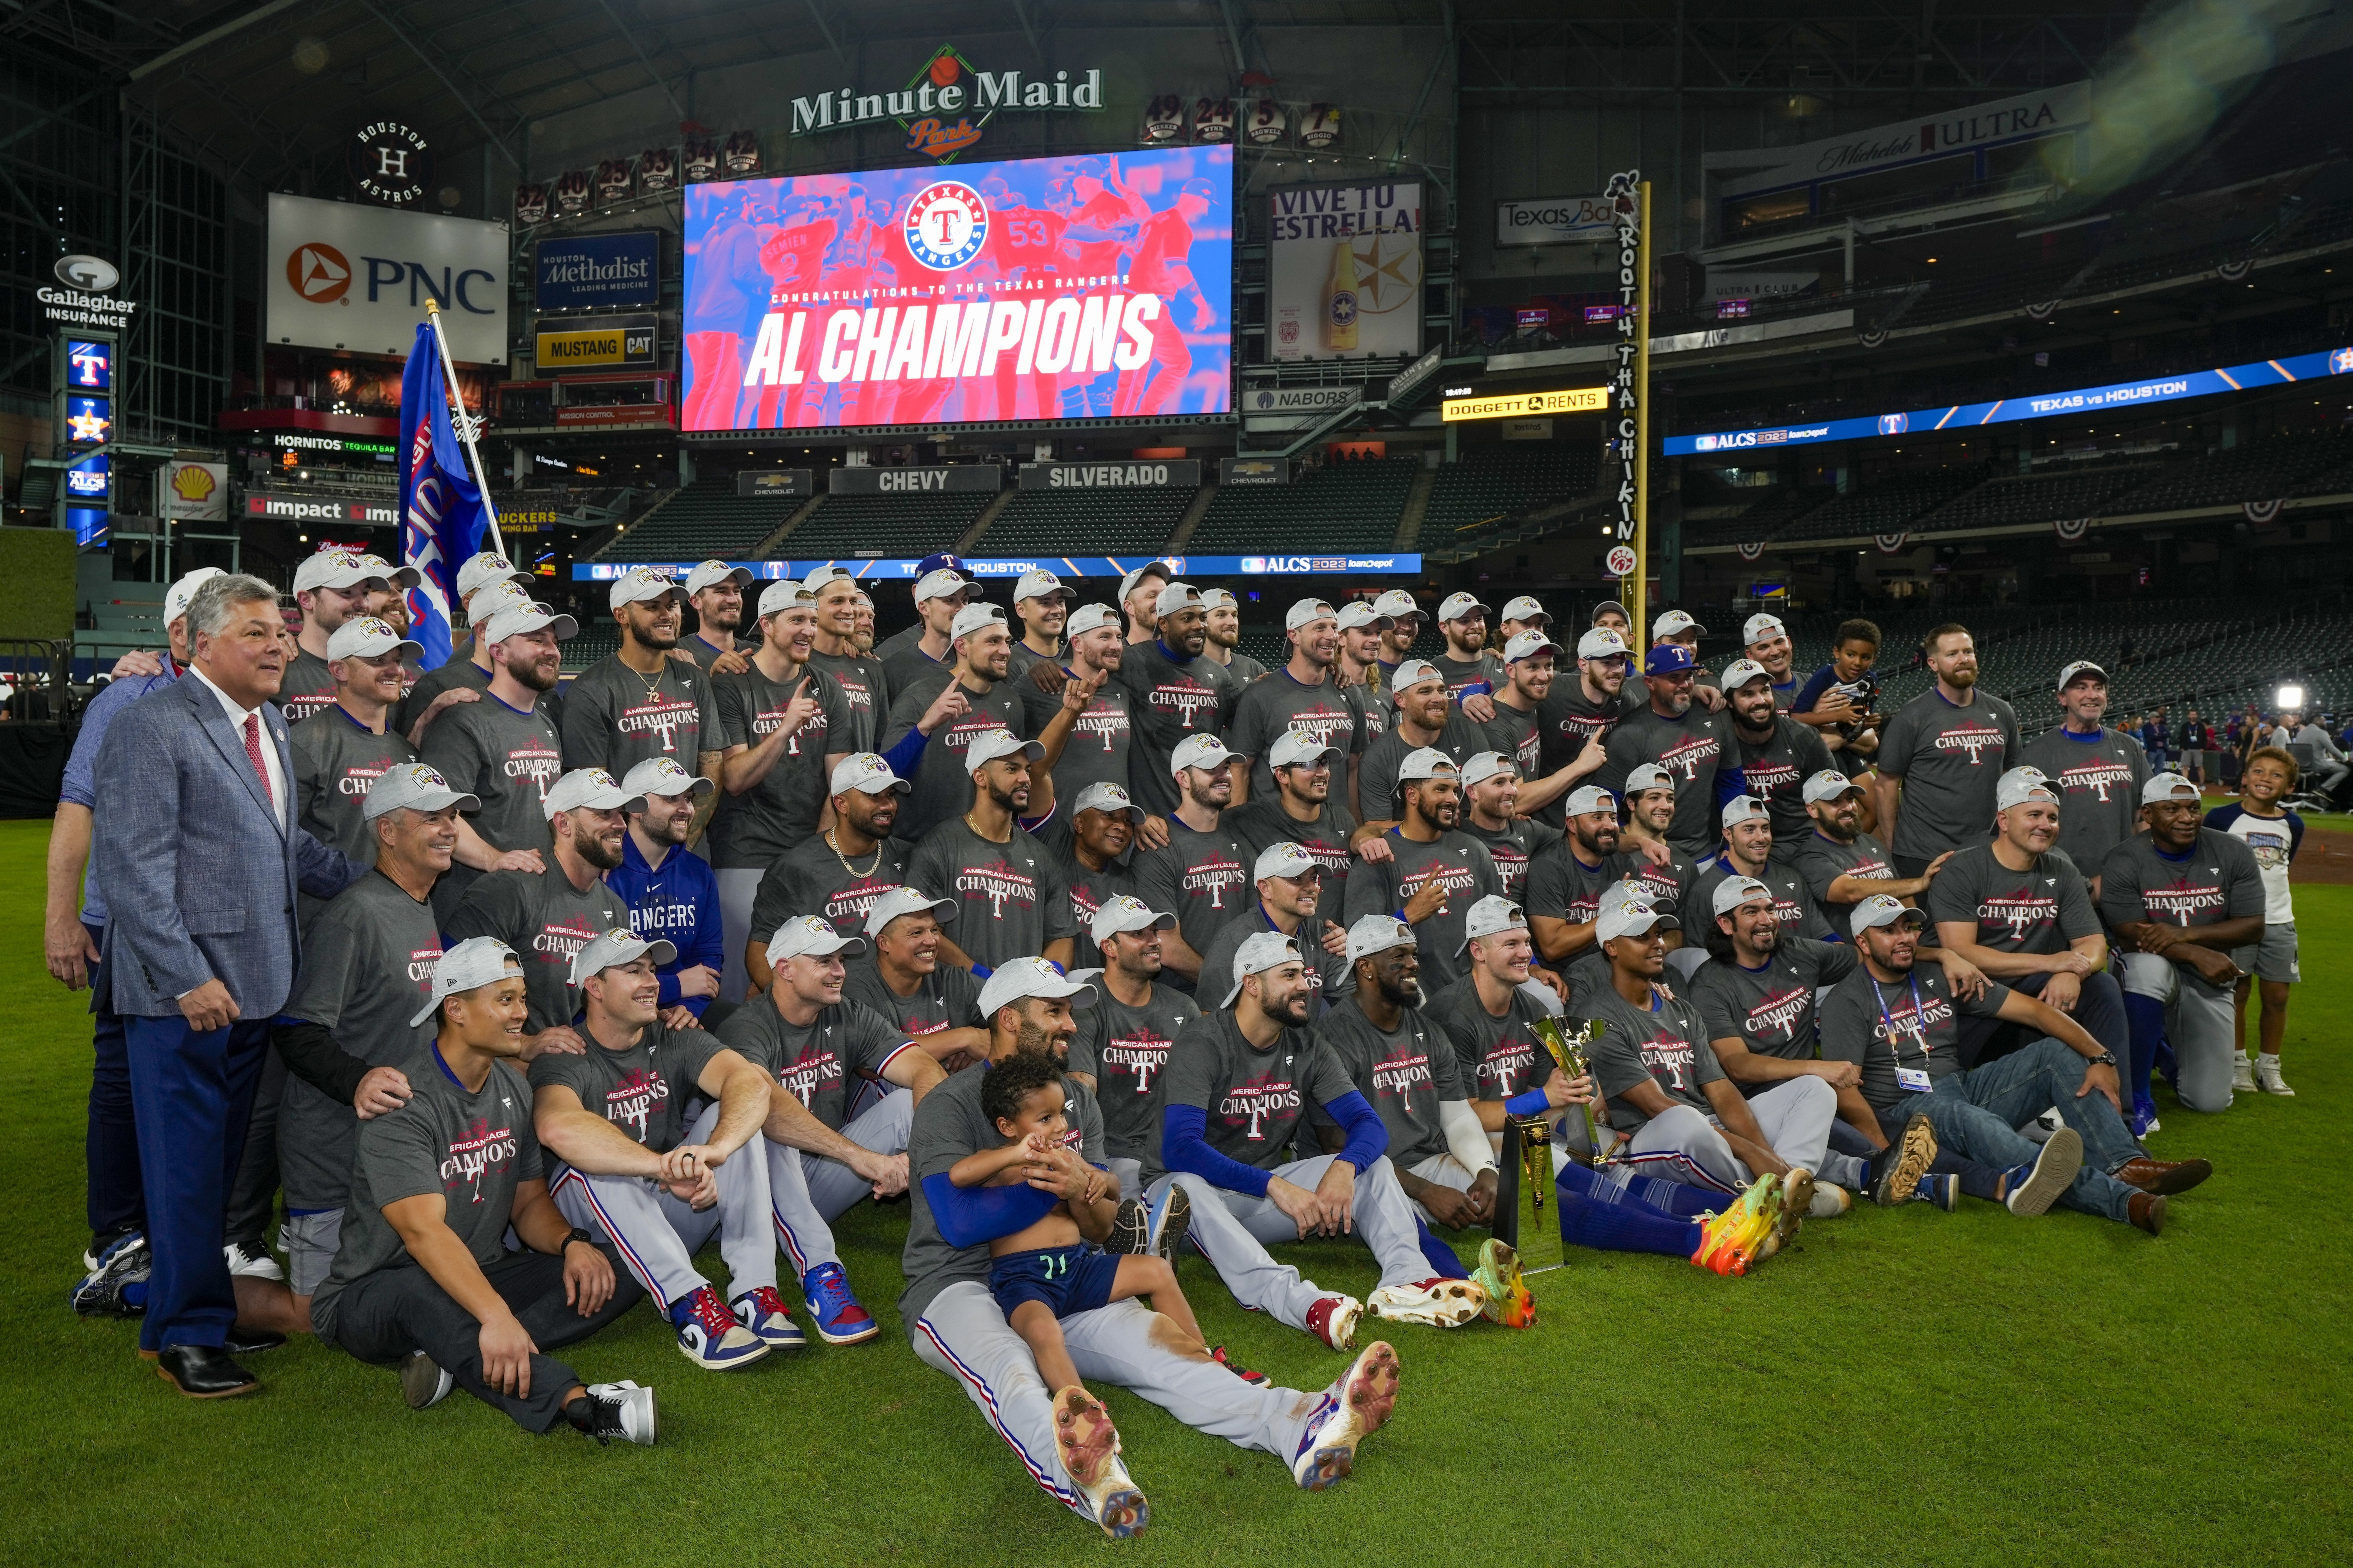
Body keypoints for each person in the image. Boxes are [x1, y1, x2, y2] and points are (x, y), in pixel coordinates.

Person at [902, 957, 1405, 1536]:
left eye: (1071, 1012)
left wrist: (1085, 1192)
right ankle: (1091, 1474)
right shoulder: (951, 1102)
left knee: (1162, 1348)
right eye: (1055, 1012)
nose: (1070, 1025)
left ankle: (1297, 1423)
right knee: (1011, 1370)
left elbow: (1095, 1226)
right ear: (1010, 1020)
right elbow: (958, 1223)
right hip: (958, 1282)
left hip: (1067, 1271)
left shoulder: (1073, 1100)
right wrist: (1061, 1188)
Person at [90, 572, 362, 1395]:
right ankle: (189, 1335)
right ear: (201, 642)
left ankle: (181, 1313)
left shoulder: (268, 725)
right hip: (188, 999)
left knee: (210, 1170)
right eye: (257, 633)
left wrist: (377, 876)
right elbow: (133, 872)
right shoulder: (151, 725)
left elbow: (287, 851)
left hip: (255, 989)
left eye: (281, 631)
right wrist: (187, 979)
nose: (279, 644)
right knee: (183, 1170)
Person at [307, 938, 653, 1441]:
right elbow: (424, 1234)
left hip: (481, 1271)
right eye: (506, 999)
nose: (522, 1014)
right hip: (379, 1289)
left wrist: (571, 1243)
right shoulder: (402, 1099)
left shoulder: (512, 1088)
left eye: (522, 997)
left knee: (625, 1260)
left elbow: (529, 1201)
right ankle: (582, 1404)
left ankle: (450, 1351)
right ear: (456, 1009)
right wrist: (493, 1314)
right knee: (425, 1294)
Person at [1155, 929, 1485, 1334]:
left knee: (1373, 1167)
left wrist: (1345, 1168)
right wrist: (1274, 1185)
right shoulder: (1203, 1041)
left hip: (1254, 1198)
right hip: (1181, 1207)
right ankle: (1301, 1302)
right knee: (1188, 1184)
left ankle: (1409, 1280)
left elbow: (1368, 1125)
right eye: (1290, 976)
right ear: (1252, 984)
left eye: (1306, 976)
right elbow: (1180, 1149)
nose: (1306, 986)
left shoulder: (1306, 1044)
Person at [1822, 896, 2205, 1234]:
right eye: (1888, 931)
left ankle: (2125, 1164)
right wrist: (1883, 1149)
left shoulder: (1939, 974)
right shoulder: (1847, 1001)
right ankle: (2123, 1201)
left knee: (2053, 1054)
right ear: (1863, 942)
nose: (1904, 938)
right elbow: (1845, 1087)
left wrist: (2100, 1056)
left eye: (1909, 928)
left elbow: (2035, 1012)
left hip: (1961, 1087)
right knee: (1970, 1119)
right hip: (1907, 1108)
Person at [51, 565, 220, 1289]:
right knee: (124, 1076)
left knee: (196, 1073)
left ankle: (187, 1223)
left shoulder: (238, 701)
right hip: (131, 921)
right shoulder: (130, 695)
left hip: (211, 920)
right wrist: (63, 917)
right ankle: (118, 1231)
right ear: (180, 630)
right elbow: (77, 806)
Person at [257, 762, 472, 1330]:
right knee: (314, 1315)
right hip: (332, 1157)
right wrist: (358, 1079)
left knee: (407, 1287)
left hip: (395, 1156)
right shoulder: (354, 914)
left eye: (452, 815)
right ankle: (181, 1290)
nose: (450, 827)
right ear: (388, 831)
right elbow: (295, 1027)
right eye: (433, 818)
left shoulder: (422, 901)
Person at [956, 1049, 1231, 1471]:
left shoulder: (1068, 1158)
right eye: (1045, 1119)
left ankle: (1201, 1356)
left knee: (1156, 1271)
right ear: (1008, 1128)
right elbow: (959, 1176)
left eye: (1060, 1114)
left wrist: (1098, 1180)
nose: (1061, 1126)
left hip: (1079, 1267)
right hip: (1026, 1281)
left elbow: (1115, 1188)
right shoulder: (1004, 1166)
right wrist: (1014, 1155)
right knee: (1043, 1330)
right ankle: (1083, 1413)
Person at [534, 929, 786, 1368]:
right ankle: (691, 1305)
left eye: (652, 970)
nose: (653, 981)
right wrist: (664, 1167)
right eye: (634, 972)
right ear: (593, 986)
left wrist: (715, 1152)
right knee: (596, 1166)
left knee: (737, 1124)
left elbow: (747, 1082)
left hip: (666, 1206)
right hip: (594, 1227)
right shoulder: (565, 1052)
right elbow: (558, 1127)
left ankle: (755, 1292)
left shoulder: (674, 1035)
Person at [718, 914, 944, 1345]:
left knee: (909, 1106)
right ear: (784, 968)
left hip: (819, 1177)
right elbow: (766, 1111)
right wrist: (864, 1158)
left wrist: (922, 1150)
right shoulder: (746, 1027)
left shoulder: (847, 1015)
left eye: (841, 960)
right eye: (825, 961)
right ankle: (822, 1276)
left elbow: (923, 1068)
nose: (840, 971)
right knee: (766, 1120)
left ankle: (957, 1235)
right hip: (749, 1193)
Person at [1311, 918, 1532, 1327]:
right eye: (1400, 957)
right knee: (1408, 1228)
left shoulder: (1426, 1029)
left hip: (1423, 1160)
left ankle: (1682, 1235)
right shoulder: (1335, 1036)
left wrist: (1484, 1172)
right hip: (1360, 1174)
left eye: (1414, 955)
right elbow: (1336, 1143)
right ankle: (1470, 1289)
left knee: (1517, 1192)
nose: (1414, 964)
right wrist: (1426, 1191)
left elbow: (1457, 1115)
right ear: (1366, 968)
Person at [1579, 894, 1848, 1212]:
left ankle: (1785, 1182)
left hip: (1707, 1124)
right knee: (1684, 1118)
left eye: (1658, 935)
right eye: (1642, 938)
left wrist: (1764, 1154)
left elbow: (1720, 1090)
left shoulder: (1680, 1008)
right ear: (1611, 947)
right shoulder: (1596, 1018)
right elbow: (1656, 1106)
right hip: (1653, 1136)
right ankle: (1770, 1200)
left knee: (1813, 1088)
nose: (1658, 945)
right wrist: (1749, 1152)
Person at [1689, 877, 1941, 1207]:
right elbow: (1737, 1065)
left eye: (1770, 909)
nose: (1766, 920)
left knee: (1888, 1124)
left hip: (1812, 1092)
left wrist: (1941, 956)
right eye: (1751, 912)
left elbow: (1867, 952)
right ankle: (1895, 1173)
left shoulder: (1799, 954)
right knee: (1849, 1134)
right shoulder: (1710, 984)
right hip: (1756, 1104)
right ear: (1725, 924)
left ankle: (1938, 1178)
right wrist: (1817, 1069)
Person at [1927, 768, 2128, 1070]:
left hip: (2033, 982)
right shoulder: (1963, 867)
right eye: (2034, 815)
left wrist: (2072, 972)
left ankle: (2118, 1107)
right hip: (1974, 988)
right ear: (2004, 821)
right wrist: (2052, 964)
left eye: (2052, 818)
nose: (2045, 825)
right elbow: (1962, 951)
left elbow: (2092, 943)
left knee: (2103, 986)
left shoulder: (2062, 871)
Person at [712, 579, 855, 998]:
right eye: (796, 620)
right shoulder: (732, 685)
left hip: (806, 855)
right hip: (745, 854)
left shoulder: (826, 687)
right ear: (767, 625)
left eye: (812, 621)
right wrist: (786, 727)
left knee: (807, 984)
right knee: (745, 986)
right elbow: (735, 778)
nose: (808, 630)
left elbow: (840, 781)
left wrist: (817, 852)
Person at [2101, 773, 2266, 1124]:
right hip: (2155, 967)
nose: (2186, 818)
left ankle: (2163, 1052)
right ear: (2147, 815)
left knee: (2209, 1101)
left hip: (2207, 975)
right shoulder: (2123, 858)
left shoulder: (2231, 851)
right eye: (2171, 809)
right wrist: (2195, 952)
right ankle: (2138, 1094)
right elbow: (2129, 934)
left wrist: (2185, 938)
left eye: (2193, 808)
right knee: (2146, 969)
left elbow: (2253, 925)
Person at [442, 768, 633, 1042]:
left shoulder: (616, 909)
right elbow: (451, 982)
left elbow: (605, 1005)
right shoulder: (510, 889)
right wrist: (524, 1046)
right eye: (605, 813)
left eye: (621, 813)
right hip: (503, 1063)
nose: (621, 824)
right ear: (564, 824)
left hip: (574, 1059)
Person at [418, 602, 572, 917]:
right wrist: (494, 858)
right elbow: (435, 813)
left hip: (534, 901)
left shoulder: (544, 722)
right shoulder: (463, 720)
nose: (552, 651)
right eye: (537, 640)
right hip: (476, 903)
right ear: (499, 652)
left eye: (554, 642)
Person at [562, 567, 727, 851]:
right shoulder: (591, 689)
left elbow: (712, 767)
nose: (667, 616)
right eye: (652, 607)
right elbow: (593, 789)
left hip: (687, 849)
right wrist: (620, 851)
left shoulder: (695, 679)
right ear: (621, 615)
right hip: (623, 853)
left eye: (672, 605)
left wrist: (684, 844)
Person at [907, 727, 1078, 972]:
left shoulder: (1040, 855)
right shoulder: (940, 845)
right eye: (1012, 769)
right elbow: (922, 930)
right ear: (980, 777)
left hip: (1023, 1004)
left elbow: (1061, 936)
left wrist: (1043, 980)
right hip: (957, 997)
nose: (1025, 779)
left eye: (1027, 770)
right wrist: (981, 975)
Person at [1066, 897, 1202, 1195]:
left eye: (1154, 932)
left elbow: (1199, 1089)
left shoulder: (1183, 1007)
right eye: (1139, 934)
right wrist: (1089, 1161)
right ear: (1109, 947)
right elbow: (1081, 1089)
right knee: (1140, 1199)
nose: (1154, 942)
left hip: (1172, 1149)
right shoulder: (1084, 1005)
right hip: (1111, 1152)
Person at [1343, 749, 1505, 995]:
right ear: (1412, 795)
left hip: (1475, 992)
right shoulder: (1379, 855)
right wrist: (1407, 916)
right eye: (1441, 789)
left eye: (1455, 790)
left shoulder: (1473, 849)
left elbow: (1501, 922)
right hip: (1410, 997)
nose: (1453, 799)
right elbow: (1360, 942)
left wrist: (1533, 965)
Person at [745, 753, 913, 986]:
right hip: (834, 1003)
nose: (888, 806)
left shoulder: (910, 857)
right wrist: (788, 1006)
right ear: (841, 803)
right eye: (874, 796)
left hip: (901, 997)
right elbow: (761, 948)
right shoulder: (796, 868)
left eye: (891, 795)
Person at [881, 601, 1037, 843]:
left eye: (1007, 641)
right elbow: (888, 777)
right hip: (922, 844)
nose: (1006, 651)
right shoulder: (920, 697)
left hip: (986, 845)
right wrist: (925, 728)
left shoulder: (1010, 701)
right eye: (993, 641)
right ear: (962, 646)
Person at [1874, 625, 2021, 877]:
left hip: (1989, 849)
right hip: (1924, 853)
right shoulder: (1912, 716)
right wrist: (1891, 845)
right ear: (1933, 663)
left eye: (1969, 652)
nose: (1964, 660)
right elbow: (1885, 785)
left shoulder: (2002, 711)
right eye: (1952, 654)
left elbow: (2012, 775)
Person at [2206, 746, 2304, 1097]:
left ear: (2289, 787)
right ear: (2244, 778)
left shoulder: (2293, 823)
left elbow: (2283, 865)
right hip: (2236, 921)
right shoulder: (2219, 819)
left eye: (2276, 775)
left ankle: (2269, 1066)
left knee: (2277, 995)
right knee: (2237, 992)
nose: (2266, 779)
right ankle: (2237, 1065)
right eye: (2258, 772)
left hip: (2279, 921)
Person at [606, 757, 725, 1023]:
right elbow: (597, 977)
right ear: (636, 809)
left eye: (690, 798)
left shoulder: (699, 872)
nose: (687, 809)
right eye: (672, 798)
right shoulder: (604, 873)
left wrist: (689, 1007)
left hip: (685, 1011)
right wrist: (676, 986)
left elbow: (709, 959)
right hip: (616, 1018)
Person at [1225, 597, 1371, 811]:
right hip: (1274, 832)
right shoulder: (1260, 694)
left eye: (1334, 628)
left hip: (1335, 832)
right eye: (1320, 628)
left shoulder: (1350, 693)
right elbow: (1240, 770)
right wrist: (1237, 833)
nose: (1331, 636)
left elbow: (1354, 769)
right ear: (1294, 635)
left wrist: (1356, 827)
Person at [1135, 733, 1255, 986]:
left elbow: (1258, 921)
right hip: (1184, 996)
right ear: (1183, 778)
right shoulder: (1159, 843)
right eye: (1211, 769)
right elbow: (1166, 946)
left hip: (1242, 989)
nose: (1224, 776)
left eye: (1226, 768)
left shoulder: (1241, 837)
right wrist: (1229, 985)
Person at [2019, 661, 2148, 895]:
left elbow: (2144, 814)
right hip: (2060, 881)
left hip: (2124, 880)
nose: (2092, 695)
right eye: (2081, 688)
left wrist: (2145, 865)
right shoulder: (2037, 753)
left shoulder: (2130, 748)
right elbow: (2024, 825)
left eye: (2098, 688)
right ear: (2062, 698)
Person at [1111, 582, 1235, 819]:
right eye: (1187, 619)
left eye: (1202, 618)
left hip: (1202, 811)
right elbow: (1085, 667)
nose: (1199, 626)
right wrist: (1048, 668)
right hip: (1149, 816)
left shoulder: (1219, 675)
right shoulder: (1132, 661)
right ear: (1164, 624)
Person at [1597, 643, 1731, 860]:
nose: (1685, 685)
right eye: (1674, 678)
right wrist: (1631, 848)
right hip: (1648, 854)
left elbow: (1730, 781)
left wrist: (1731, 840)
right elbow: (1609, 802)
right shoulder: (1629, 734)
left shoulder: (1713, 713)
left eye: (1689, 676)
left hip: (1705, 850)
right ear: (1650, 683)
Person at [1227, 729, 1374, 924]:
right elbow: (1200, 823)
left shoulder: (1342, 818)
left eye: (1324, 763)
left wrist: (1367, 834)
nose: (1322, 773)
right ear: (1282, 775)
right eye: (1310, 765)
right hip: (1282, 946)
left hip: (1336, 946)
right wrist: (1170, 825)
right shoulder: (1251, 820)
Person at [1198, 841, 1356, 1020]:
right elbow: (1211, 1023)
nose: (1311, 888)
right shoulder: (1233, 943)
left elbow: (1351, 1006)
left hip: (1307, 1045)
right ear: (1266, 888)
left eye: (1313, 879)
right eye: (1297, 879)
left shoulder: (1325, 935)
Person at [844, 886, 991, 1070]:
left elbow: (1018, 1017)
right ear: (884, 943)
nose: (931, 941)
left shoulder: (953, 979)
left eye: (934, 930)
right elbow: (870, 1059)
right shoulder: (858, 989)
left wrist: (985, 1045)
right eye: (917, 933)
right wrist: (967, 1039)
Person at [393, 575, 541, 745]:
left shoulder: (539, 685)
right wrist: (427, 718)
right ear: (482, 630)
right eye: (509, 620)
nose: (522, 627)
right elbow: (408, 757)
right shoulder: (437, 685)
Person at [1018, 602, 1137, 806]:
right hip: (1060, 821)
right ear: (1077, 643)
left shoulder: (1123, 691)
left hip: (1116, 820)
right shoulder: (1041, 686)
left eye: (1118, 637)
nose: (1117, 646)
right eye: (1104, 637)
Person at [280, 549, 414, 723]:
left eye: (365, 594)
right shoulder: (277, 665)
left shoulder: (385, 671)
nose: (363, 605)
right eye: (347, 593)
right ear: (307, 600)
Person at [1717, 658, 1832, 857]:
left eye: (1765, 691)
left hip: (1809, 845)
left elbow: (1832, 801)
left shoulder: (1805, 737)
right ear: (1730, 703)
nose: (1760, 701)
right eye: (1748, 694)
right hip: (1752, 848)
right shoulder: (1722, 744)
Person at [1791, 768, 1929, 934]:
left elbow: (1898, 888)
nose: (1848, 808)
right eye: (1836, 802)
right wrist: (1919, 884)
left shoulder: (1870, 841)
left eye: (1850, 800)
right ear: (1813, 810)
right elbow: (1851, 891)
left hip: (1898, 940)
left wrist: (1915, 928)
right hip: (1857, 951)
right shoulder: (1809, 857)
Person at [1360, 660, 1488, 823]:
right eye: (1425, 692)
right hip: (1410, 847)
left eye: (1441, 691)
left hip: (1472, 837)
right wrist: (1432, 821)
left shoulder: (1468, 732)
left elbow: (1490, 797)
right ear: (1401, 700)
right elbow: (1376, 827)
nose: (1438, 699)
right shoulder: (1378, 757)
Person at [1693, 796, 1835, 943]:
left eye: (1765, 829)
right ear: (1729, 835)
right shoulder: (1707, 889)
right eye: (1750, 830)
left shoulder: (1792, 878)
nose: (1761, 838)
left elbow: (1825, 936)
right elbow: (1699, 953)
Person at [1533, 626, 1634, 829]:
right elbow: (1504, 688)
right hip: (1545, 816)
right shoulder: (1554, 689)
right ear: (1584, 665)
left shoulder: (1626, 701)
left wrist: (1698, 690)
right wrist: (1473, 695)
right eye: (1606, 663)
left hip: (1595, 820)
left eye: (1621, 663)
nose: (1616, 671)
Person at [1527, 784, 1631, 965]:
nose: (1609, 826)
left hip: (1612, 968)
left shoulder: (1627, 866)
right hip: (1560, 976)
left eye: (1613, 818)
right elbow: (1553, 947)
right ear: (1572, 825)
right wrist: (1615, 912)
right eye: (1597, 818)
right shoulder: (1548, 867)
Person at [1031, 780, 1145, 932]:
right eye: (1109, 815)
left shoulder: (1128, 884)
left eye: (1128, 821)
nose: (1122, 827)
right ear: (1079, 824)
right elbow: (1039, 776)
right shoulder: (1055, 843)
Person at [802, 567, 891, 750]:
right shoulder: (795, 664)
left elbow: (880, 742)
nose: (850, 610)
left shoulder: (872, 669)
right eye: (837, 601)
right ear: (813, 606)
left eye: (853, 601)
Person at [1606, 763, 1703, 917]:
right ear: (1632, 803)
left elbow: (1681, 931)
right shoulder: (1606, 847)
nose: (1665, 806)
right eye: (1654, 798)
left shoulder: (1687, 866)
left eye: (1670, 799)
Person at [877, 565, 982, 693]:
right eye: (950, 600)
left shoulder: (978, 662)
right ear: (924, 608)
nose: (962, 608)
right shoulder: (893, 669)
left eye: (965, 600)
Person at [1792, 618, 1884, 760]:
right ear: (1837, 652)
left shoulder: (1872, 680)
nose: (1857, 663)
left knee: (1867, 781)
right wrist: (1838, 716)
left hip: (1848, 743)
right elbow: (1797, 717)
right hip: (1824, 747)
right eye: (1851, 655)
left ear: (1874, 659)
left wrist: (1868, 722)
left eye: (1866, 657)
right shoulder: (1824, 676)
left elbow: (1865, 715)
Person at [681, 559, 754, 674]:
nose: (733, 600)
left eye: (736, 591)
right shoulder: (676, 656)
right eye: (721, 592)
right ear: (696, 602)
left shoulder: (758, 653)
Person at [1429, 591, 1501, 703]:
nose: (1475, 626)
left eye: (1478, 619)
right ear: (1444, 628)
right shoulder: (1431, 673)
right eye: (1464, 621)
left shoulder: (1505, 666)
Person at [1005, 567, 1075, 681]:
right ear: (1021, 610)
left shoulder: (1075, 658)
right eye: (1045, 603)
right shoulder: (1009, 663)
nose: (1057, 610)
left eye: (1060, 602)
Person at [1333, 600, 1394, 722]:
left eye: (1378, 633)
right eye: (1365, 632)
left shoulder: (1386, 698)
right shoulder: (1326, 692)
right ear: (1342, 639)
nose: (1376, 640)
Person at [1200, 588, 1267, 685]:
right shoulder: (1186, 669)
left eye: (1234, 615)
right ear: (1203, 621)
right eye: (1221, 615)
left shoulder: (1255, 670)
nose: (1232, 622)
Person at [1738, 612, 1799, 711]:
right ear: (1750, 655)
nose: (1775, 652)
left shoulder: (1814, 684)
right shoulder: (1744, 697)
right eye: (1764, 647)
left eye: (1779, 642)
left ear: (1789, 643)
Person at [2290, 712, 2349, 801]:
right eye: (2324, 721)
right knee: (2345, 770)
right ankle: (2323, 789)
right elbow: (2332, 749)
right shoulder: (2321, 733)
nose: (2326, 724)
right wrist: (2345, 759)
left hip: (2301, 766)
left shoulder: (2301, 733)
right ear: (2318, 721)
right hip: (2317, 764)